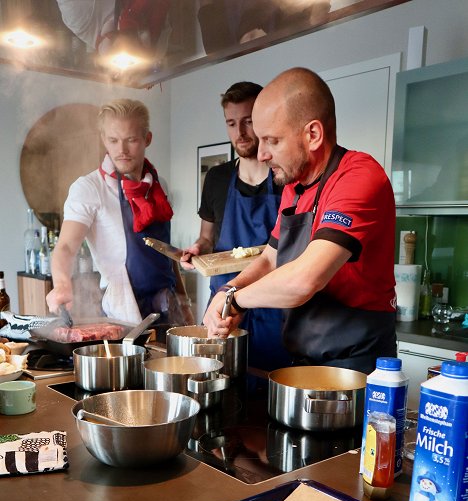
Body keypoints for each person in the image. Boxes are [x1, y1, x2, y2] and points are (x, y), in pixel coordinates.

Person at [203, 67, 397, 375]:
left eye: (272, 140)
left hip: (355, 368)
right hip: (302, 362)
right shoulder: (294, 187)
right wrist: (227, 289)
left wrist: (236, 301)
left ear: (313, 134)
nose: (262, 154)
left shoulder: (359, 177)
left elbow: (305, 279)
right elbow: (270, 258)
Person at [47, 98, 187, 326]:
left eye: (131, 139)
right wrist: (62, 283)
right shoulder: (89, 188)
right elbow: (65, 247)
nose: (121, 150)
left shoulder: (157, 186)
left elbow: (167, 252)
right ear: (104, 140)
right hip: (123, 312)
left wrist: (183, 301)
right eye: (113, 140)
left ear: (147, 139)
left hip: (167, 306)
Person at [181, 81, 291, 370]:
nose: (239, 133)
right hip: (224, 307)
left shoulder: (285, 178)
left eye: (248, 122)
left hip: (275, 309)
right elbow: (207, 237)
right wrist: (197, 249)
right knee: (217, 378)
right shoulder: (217, 178)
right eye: (231, 123)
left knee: (269, 385)